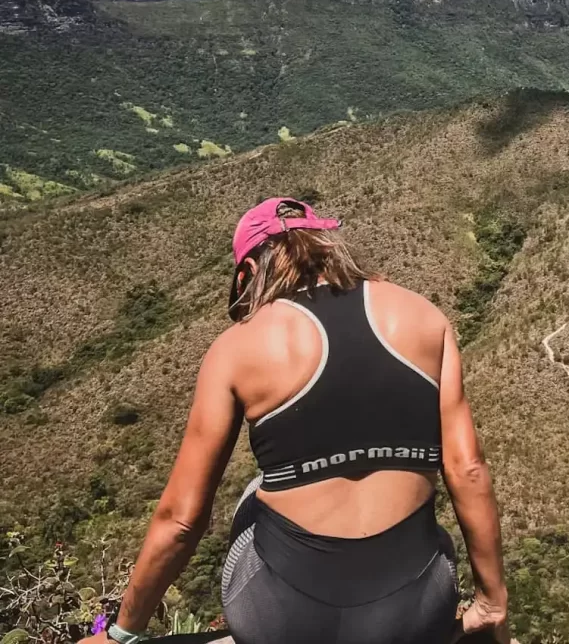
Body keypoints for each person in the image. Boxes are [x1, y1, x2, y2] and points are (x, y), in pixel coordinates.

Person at [86, 197, 509, 644]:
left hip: (281, 621)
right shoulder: (425, 317)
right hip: (413, 615)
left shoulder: (236, 348)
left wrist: (120, 633)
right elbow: (468, 470)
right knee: (426, 526)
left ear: (248, 273)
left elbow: (182, 522)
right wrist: (491, 606)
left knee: (254, 492)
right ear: (327, 243)